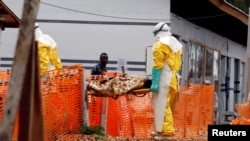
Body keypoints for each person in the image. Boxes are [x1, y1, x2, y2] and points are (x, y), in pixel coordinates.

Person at [149, 22, 183, 140]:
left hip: (165, 78)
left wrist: (154, 82)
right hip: (174, 78)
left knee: (163, 105)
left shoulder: (160, 44)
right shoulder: (176, 44)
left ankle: (166, 133)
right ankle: (161, 130)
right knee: (169, 105)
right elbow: (179, 64)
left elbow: (157, 65)